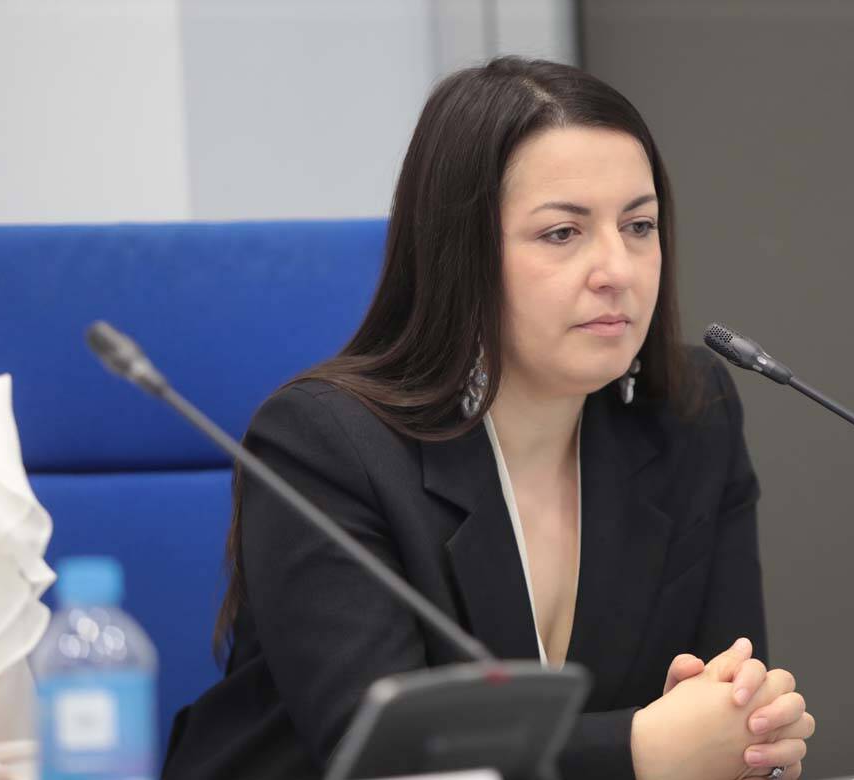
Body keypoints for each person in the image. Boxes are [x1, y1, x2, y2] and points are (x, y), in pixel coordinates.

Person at [162, 56, 814, 780]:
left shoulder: (691, 411)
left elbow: (731, 704)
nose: (618, 270)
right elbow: (389, 762)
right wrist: (639, 749)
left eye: (639, 225)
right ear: (460, 252)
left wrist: (745, 737)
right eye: (562, 233)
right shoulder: (324, 446)